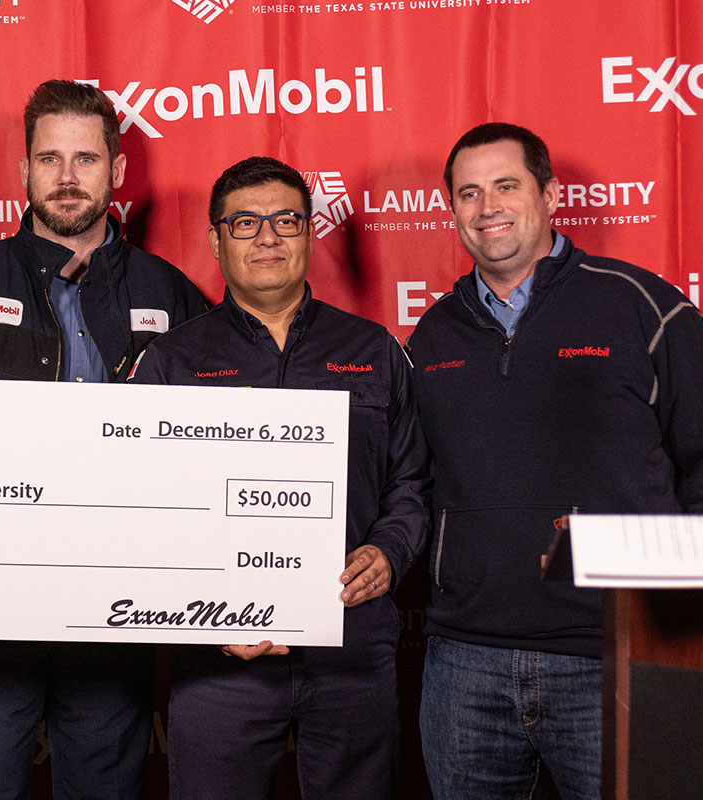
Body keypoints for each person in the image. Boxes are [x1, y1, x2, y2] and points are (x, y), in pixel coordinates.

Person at [406, 122, 703, 800]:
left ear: (551, 195)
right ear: (451, 209)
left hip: (616, 652)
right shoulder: (432, 333)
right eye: (469, 194)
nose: (488, 209)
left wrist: (696, 639)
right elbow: (413, 482)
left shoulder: (641, 305)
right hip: (465, 661)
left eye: (507, 186)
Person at [0, 79, 205, 800]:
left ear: (118, 171)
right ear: (24, 167)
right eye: (49, 159)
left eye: (86, 160)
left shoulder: (173, 295)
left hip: (118, 608)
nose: (66, 179)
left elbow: (199, 455)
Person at [128, 156, 429, 799]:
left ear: (310, 232)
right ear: (215, 240)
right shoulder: (171, 361)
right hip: (218, 660)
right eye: (244, 223)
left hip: (354, 646)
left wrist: (390, 552)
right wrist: (202, 620)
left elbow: (411, 482)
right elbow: (141, 511)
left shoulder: (375, 351)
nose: (268, 237)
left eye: (286, 220)